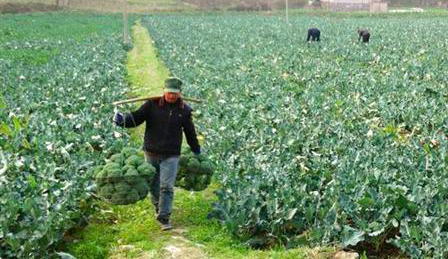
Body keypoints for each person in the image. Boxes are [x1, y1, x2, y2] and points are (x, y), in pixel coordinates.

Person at [113, 77, 201, 231]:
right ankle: (158, 208)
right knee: (154, 185)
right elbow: (136, 118)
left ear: (180, 93)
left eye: (175, 94)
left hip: (171, 154)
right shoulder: (151, 105)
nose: (171, 96)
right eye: (169, 93)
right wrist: (121, 120)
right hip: (151, 152)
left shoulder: (184, 110)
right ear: (164, 91)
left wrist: (196, 149)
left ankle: (165, 217)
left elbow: (190, 132)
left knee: (167, 186)